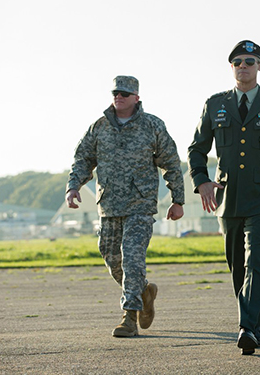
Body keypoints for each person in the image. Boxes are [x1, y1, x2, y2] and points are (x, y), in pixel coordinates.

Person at [187, 40, 260, 355]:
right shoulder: (215, 104)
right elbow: (197, 149)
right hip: (228, 198)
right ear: (232, 67)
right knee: (237, 267)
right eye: (238, 61)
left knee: (256, 258)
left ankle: (248, 329)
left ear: (259, 67)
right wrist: (201, 181)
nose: (244, 66)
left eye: (250, 61)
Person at [66, 75, 185, 337]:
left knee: (132, 258)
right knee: (111, 257)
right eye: (115, 92)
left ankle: (129, 316)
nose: (118, 96)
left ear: (136, 98)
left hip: (140, 205)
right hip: (108, 205)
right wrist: (73, 186)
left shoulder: (152, 125)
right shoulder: (99, 126)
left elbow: (171, 163)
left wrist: (178, 199)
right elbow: (83, 158)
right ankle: (143, 291)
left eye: (124, 93)